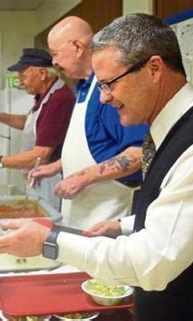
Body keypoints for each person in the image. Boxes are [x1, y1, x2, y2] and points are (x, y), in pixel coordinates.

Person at [0, 13, 193, 321]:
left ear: (154, 69)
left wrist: (49, 242)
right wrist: (124, 225)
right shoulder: (170, 129)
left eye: (109, 84)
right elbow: (180, 212)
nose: (104, 98)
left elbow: (152, 263)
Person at [28, 16, 148, 229]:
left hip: (108, 216)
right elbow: (98, 146)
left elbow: (140, 153)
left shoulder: (109, 89)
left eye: (55, 54)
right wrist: (57, 165)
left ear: (77, 47)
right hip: (80, 216)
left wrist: (82, 178)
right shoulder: (83, 87)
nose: (54, 62)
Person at [0, 48, 75, 211]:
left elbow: (40, 156)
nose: (20, 82)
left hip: (52, 181)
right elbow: (30, 122)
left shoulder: (59, 99)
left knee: (48, 225)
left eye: (24, 76)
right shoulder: (44, 96)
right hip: (38, 177)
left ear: (42, 74)